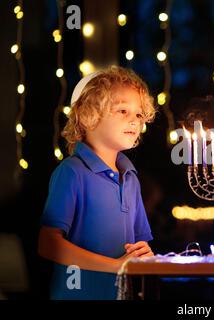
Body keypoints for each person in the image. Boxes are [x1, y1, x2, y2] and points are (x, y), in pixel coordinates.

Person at [38, 66, 156, 299]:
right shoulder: (71, 172)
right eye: (123, 110)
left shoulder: (131, 178)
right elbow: (48, 244)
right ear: (87, 116)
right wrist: (114, 266)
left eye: (140, 114)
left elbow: (138, 245)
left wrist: (143, 253)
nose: (134, 119)